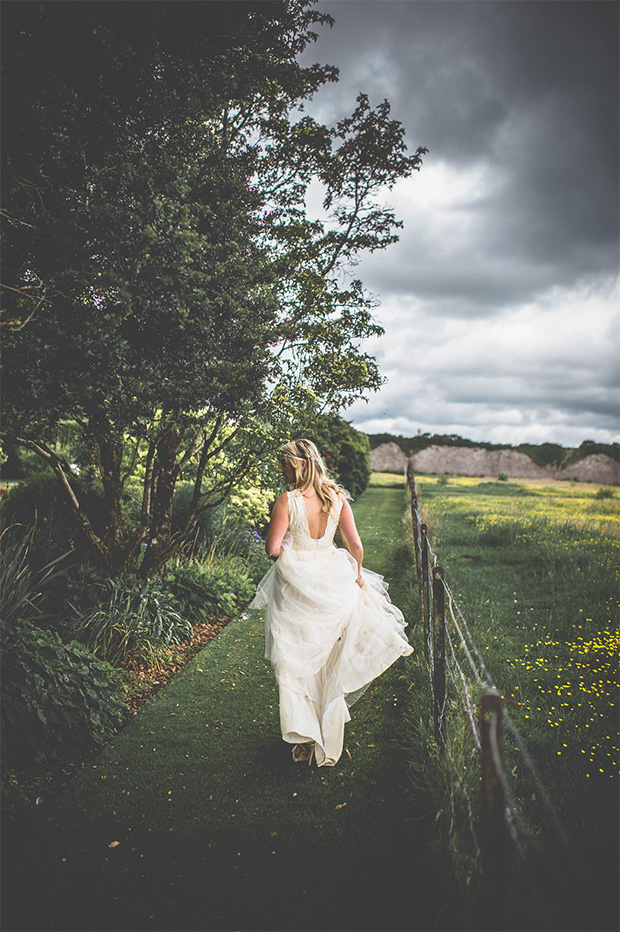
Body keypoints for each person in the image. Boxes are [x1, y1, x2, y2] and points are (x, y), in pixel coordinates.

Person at [249, 439, 413, 767]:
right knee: (327, 659)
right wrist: (357, 577)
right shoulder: (336, 498)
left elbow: (272, 548)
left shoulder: (287, 501)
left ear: (299, 465)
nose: (280, 469)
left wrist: (298, 559)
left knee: (294, 660)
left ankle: (305, 734)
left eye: (283, 464)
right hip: (333, 579)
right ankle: (320, 730)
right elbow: (355, 545)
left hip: (296, 587)